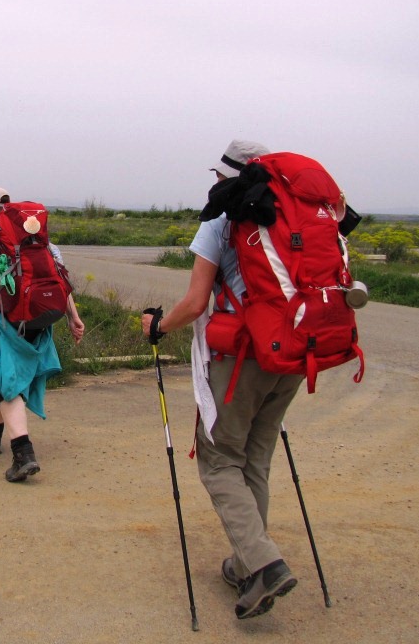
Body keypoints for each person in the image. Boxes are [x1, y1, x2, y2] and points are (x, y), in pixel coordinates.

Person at [141, 140, 302, 620]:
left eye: (218, 174)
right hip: (295, 354)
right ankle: (247, 564)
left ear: (229, 176)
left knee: (218, 461)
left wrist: (158, 326)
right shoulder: (297, 217)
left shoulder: (223, 219)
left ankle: (265, 565)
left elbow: (196, 303)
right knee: (254, 459)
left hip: (243, 357)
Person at [0, 187, 85, 483]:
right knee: (2, 378)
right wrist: (73, 317)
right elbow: (61, 281)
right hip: (35, 321)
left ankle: (23, 453)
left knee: (8, 385)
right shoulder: (40, 241)